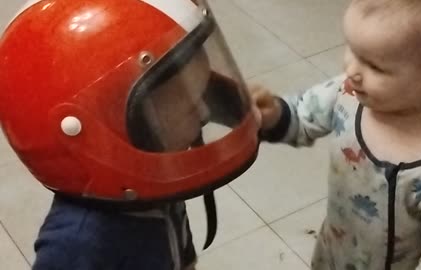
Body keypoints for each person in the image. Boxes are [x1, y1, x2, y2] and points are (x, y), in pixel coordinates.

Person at [0, 0, 259, 269]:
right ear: (96, 135)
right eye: (189, 108)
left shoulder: (154, 175)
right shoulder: (77, 245)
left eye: (200, 95)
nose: (205, 113)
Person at [251, 0, 421, 269]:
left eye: (375, 66)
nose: (351, 70)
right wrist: (272, 115)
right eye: (352, 49)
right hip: (332, 252)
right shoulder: (346, 93)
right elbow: (302, 116)